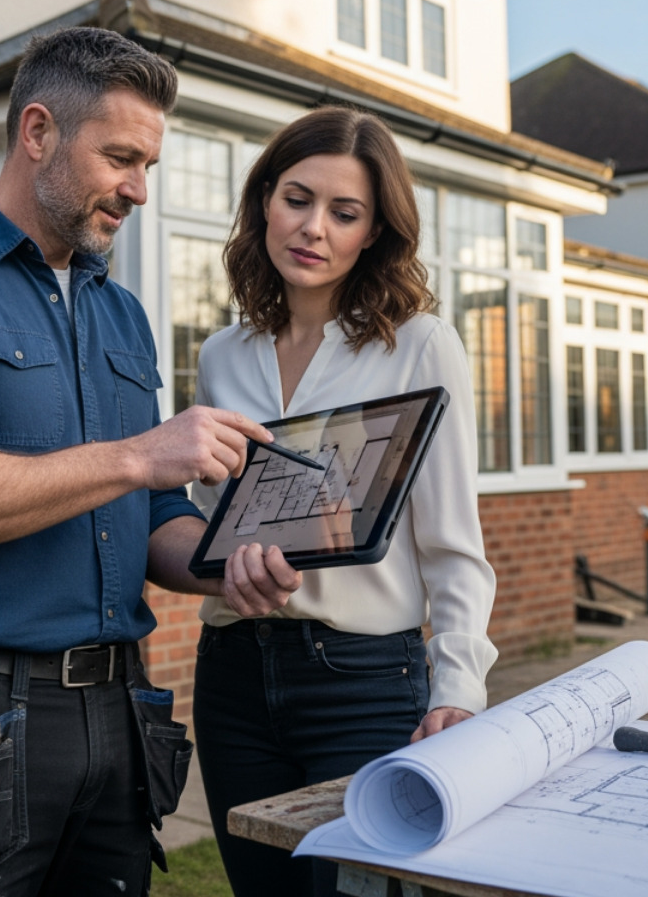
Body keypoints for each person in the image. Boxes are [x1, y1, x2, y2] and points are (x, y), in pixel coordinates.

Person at [0, 26, 300, 897]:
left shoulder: (120, 316)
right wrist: (137, 456)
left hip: (118, 719)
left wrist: (229, 562)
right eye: (121, 156)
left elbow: (150, 514)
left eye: (149, 164)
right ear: (37, 131)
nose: (140, 190)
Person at [191, 106, 498, 897]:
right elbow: (213, 518)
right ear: (264, 200)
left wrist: (460, 686)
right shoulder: (221, 356)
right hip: (230, 677)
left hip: (361, 681)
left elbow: (454, 544)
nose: (313, 228)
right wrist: (227, 563)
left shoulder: (420, 345)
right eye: (297, 198)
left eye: (345, 212)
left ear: (374, 233)